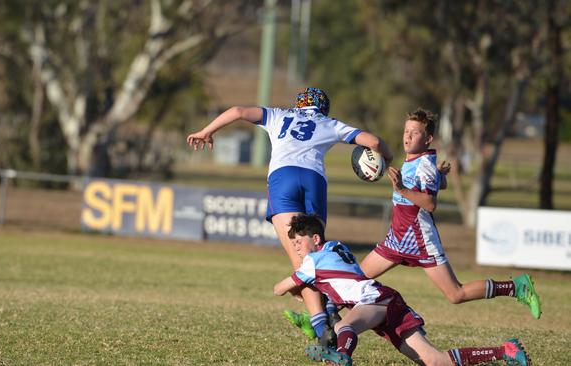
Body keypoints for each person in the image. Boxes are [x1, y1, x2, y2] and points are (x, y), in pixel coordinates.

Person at [187, 87, 394, 341]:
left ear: (298, 105)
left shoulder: (278, 115)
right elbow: (373, 142)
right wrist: (389, 158)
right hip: (313, 180)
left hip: (282, 178)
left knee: (302, 261)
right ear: (323, 109)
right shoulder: (329, 123)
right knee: (317, 254)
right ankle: (330, 307)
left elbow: (238, 111)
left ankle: (321, 331)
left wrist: (206, 131)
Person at [273, 214, 532, 366]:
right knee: (434, 361)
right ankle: (506, 351)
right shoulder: (336, 247)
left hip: (377, 301)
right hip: (384, 301)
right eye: (293, 243)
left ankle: (342, 357)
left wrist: (293, 286)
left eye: (298, 241)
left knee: (344, 328)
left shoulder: (312, 261)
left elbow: (279, 288)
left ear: (315, 239)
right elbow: (337, 285)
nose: (295, 246)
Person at [357, 108, 541, 320]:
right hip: (397, 239)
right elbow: (433, 187)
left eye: (415, 132)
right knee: (356, 278)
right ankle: (324, 317)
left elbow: (430, 203)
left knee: (456, 294)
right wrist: (439, 178)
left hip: (419, 240)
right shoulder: (417, 161)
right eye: (406, 131)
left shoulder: (424, 165)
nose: (407, 136)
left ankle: (516, 287)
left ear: (428, 139)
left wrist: (402, 190)